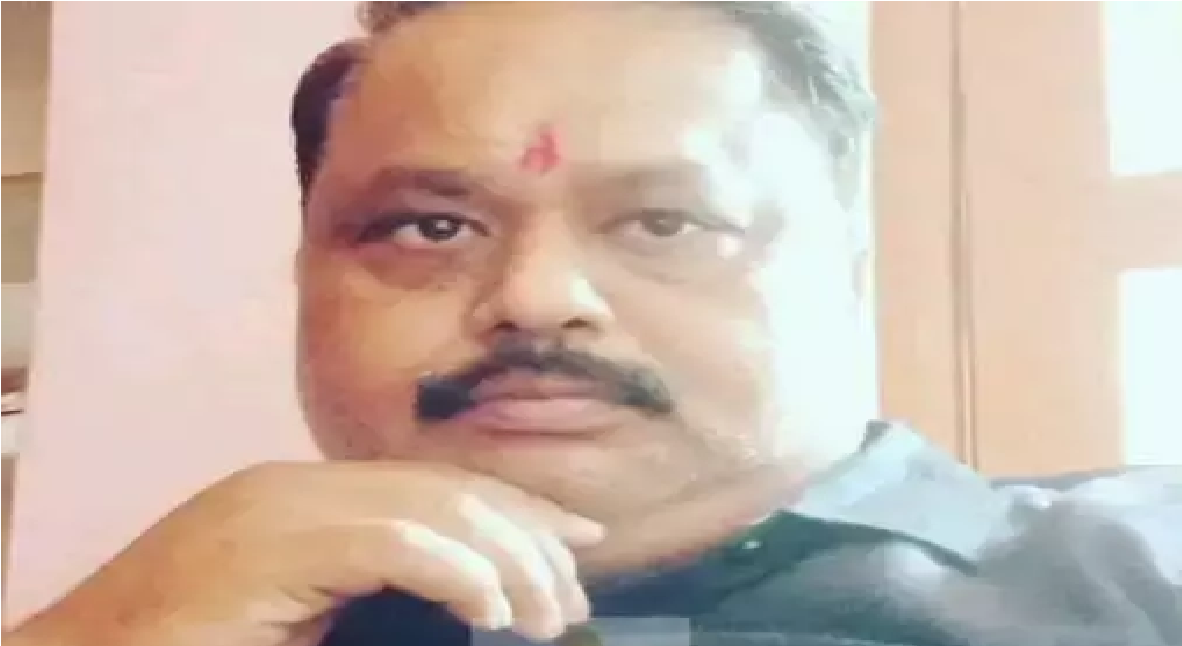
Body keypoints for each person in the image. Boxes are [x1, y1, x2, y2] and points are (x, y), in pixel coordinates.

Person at [6, 2, 1180, 646]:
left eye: (666, 221)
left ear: (844, 272)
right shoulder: (191, 619)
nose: (534, 295)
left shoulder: (1148, 567)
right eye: (428, 226)